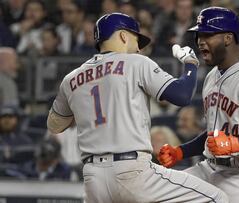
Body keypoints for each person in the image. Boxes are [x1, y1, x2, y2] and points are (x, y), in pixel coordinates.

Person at [47, 12, 228, 203]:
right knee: (217, 198)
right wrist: (191, 64)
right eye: (136, 41)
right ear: (124, 36)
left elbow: (54, 126)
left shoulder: (71, 78)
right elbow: (182, 95)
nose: (139, 49)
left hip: (93, 179)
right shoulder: (136, 62)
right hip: (132, 170)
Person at [158, 7, 239, 203]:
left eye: (208, 35)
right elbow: (215, 134)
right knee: (158, 194)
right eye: (199, 35)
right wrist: (181, 151)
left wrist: (235, 144)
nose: (201, 41)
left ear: (228, 38)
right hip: (210, 168)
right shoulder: (211, 76)